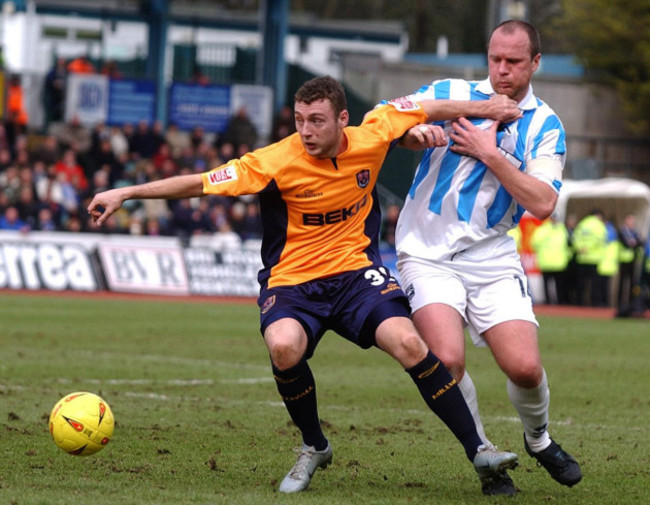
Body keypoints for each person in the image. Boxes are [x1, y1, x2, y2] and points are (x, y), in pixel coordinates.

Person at [88, 76, 523, 496]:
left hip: (355, 275)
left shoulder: (376, 131)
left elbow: (430, 107)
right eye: (299, 119)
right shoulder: (273, 161)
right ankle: (314, 446)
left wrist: (489, 107)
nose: (306, 130)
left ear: (342, 119)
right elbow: (200, 184)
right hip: (293, 282)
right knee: (283, 347)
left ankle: (479, 450)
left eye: (316, 120)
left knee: (409, 343)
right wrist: (127, 192)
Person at [393, 20, 582, 493]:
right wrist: (408, 136)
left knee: (523, 367)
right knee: (447, 361)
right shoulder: (451, 91)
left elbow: (541, 202)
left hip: (492, 254)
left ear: (535, 63)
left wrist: (489, 153)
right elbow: (387, 119)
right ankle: (483, 454)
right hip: (426, 251)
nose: (502, 70)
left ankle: (537, 439)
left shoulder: (546, 125)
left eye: (514, 62)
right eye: (495, 59)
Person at [530, 213, 572, 304]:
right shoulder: (543, 229)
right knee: (547, 285)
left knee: (560, 285)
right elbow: (535, 243)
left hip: (559, 262)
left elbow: (569, 245)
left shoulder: (562, 230)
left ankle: (560, 302)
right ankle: (548, 303)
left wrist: (567, 257)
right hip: (547, 262)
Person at [573, 209, 607, 307]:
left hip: (582, 258)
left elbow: (575, 237)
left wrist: (581, 248)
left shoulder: (582, 224)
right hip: (594, 258)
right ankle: (594, 303)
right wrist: (589, 248)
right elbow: (601, 240)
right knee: (594, 284)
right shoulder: (599, 225)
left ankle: (580, 302)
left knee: (581, 283)